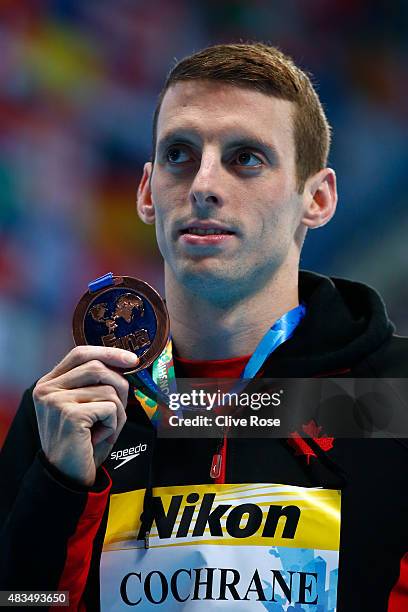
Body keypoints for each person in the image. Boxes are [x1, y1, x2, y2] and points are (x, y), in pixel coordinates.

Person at [1, 42, 407, 612]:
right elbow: (22, 601)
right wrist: (60, 488)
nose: (203, 184)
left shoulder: (396, 395)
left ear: (317, 198)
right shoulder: (67, 414)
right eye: (179, 155)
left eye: (246, 158)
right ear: (147, 192)